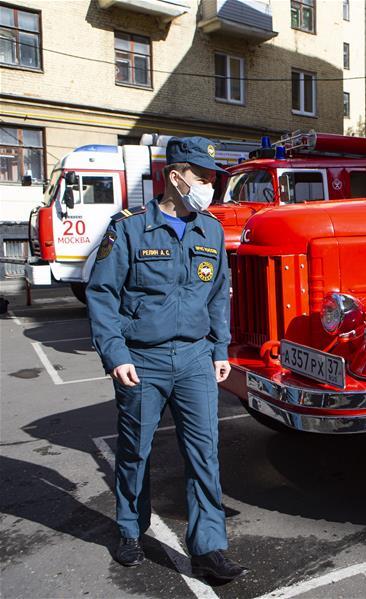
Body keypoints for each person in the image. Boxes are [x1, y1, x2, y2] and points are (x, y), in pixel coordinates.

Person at [87, 137, 247, 582]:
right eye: (202, 178)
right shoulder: (130, 228)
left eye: (212, 179)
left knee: (204, 455)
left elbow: (218, 296)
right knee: (135, 451)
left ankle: (209, 549)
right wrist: (115, 353)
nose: (209, 187)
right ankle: (129, 530)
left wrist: (220, 349)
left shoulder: (210, 230)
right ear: (175, 177)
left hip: (196, 358)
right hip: (143, 361)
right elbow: (102, 295)